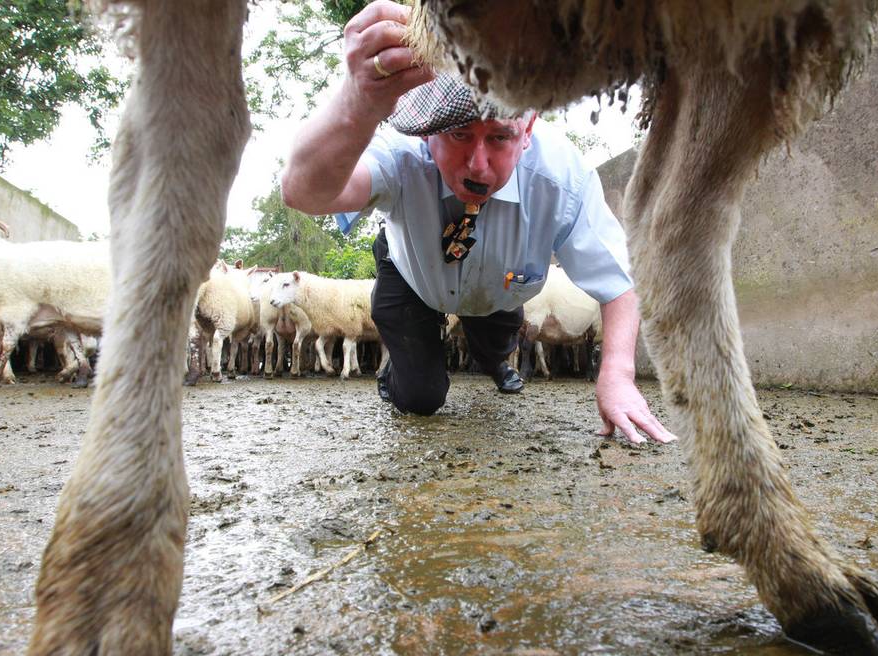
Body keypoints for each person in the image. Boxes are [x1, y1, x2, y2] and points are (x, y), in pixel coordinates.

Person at [281, 0, 675, 445]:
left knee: (495, 350)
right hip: (412, 275)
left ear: (528, 130)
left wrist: (619, 375)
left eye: (500, 137)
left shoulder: (561, 178)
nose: (478, 164)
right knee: (421, 397)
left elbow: (620, 281)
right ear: (429, 131)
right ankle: (402, 369)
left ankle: (493, 354)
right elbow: (303, 192)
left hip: (500, 289)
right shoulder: (402, 151)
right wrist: (357, 100)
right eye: (459, 134)